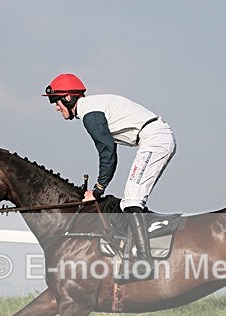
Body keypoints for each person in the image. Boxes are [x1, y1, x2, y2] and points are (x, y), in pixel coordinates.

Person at [43, 73, 176, 276]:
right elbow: (110, 152)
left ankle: (144, 263)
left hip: (154, 140)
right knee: (127, 204)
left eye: (56, 100)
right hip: (153, 138)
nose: (55, 107)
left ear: (68, 98)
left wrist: (97, 190)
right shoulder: (91, 108)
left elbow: (107, 152)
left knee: (132, 200)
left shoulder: (89, 113)